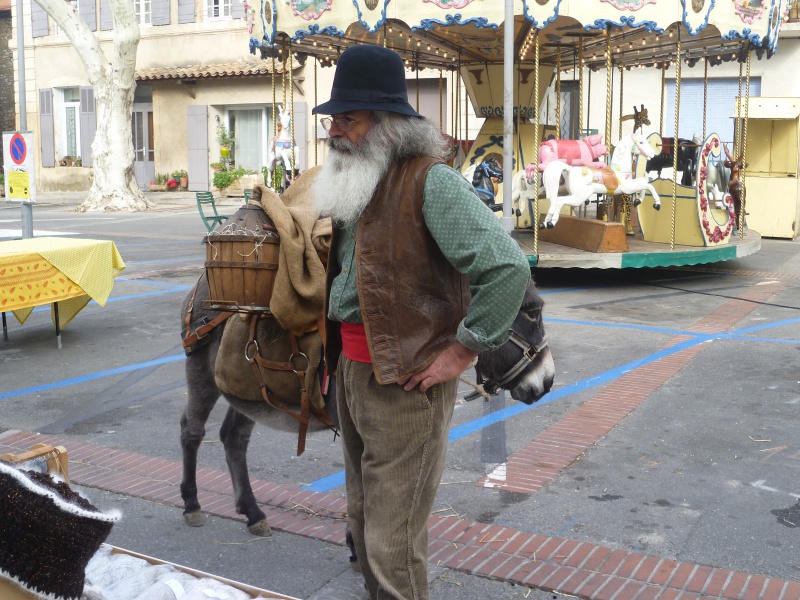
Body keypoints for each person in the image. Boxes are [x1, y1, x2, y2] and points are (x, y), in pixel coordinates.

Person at [312, 44, 531, 600]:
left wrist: (465, 350)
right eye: (334, 118)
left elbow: (506, 266)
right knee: (362, 520)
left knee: (392, 538)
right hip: (356, 375)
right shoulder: (359, 180)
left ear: (387, 125)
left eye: (349, 118)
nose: (335, 130)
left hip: (406, 385)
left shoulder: (430, 182)